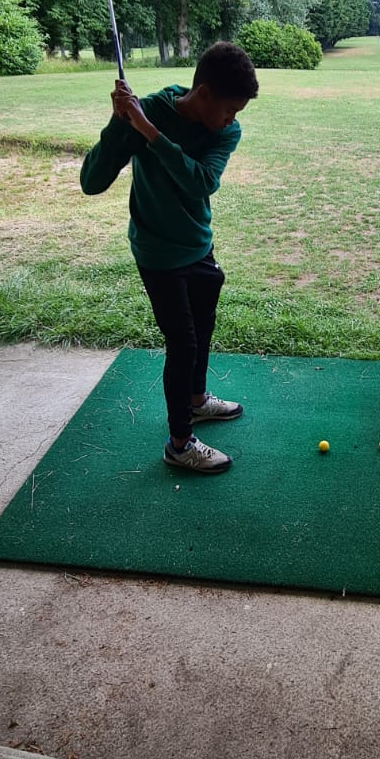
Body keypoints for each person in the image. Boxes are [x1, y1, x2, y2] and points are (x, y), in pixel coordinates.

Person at [80, 41, 259, 475]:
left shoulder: (223, 133)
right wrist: (120, 123)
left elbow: (201, 182)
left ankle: (196, 401)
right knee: (183, 344)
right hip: (157, 251)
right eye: (229, 110)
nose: (232, 120)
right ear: (204, 92)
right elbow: (91, 181)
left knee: (203, 327)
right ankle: (180, 444)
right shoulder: (150, 110)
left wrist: (151, 134)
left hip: (198, 244)